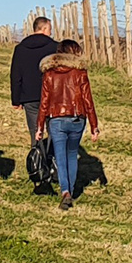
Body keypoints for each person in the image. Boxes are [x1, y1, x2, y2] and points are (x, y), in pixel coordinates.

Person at [36, 39, 99, 210]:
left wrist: (40, 126)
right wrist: (94, 126)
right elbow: (88, 100)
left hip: (56, 119)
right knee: (72, 155)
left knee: (60, 156)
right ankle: (70, 190)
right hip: (77, 118)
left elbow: (44, 102)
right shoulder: (80, 73)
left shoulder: (49, 74)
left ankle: (65, 192)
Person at [10, 15, 58, 147]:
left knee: (35, 131)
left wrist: (16, 99)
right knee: (53, 130)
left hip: (29, 97)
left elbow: (16, 76)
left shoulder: (20, 49)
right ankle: (52, 160)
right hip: (52, 95)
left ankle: (37, 161)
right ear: (44, 28)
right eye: (50, 29)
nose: (51, 32)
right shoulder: (55, 47)